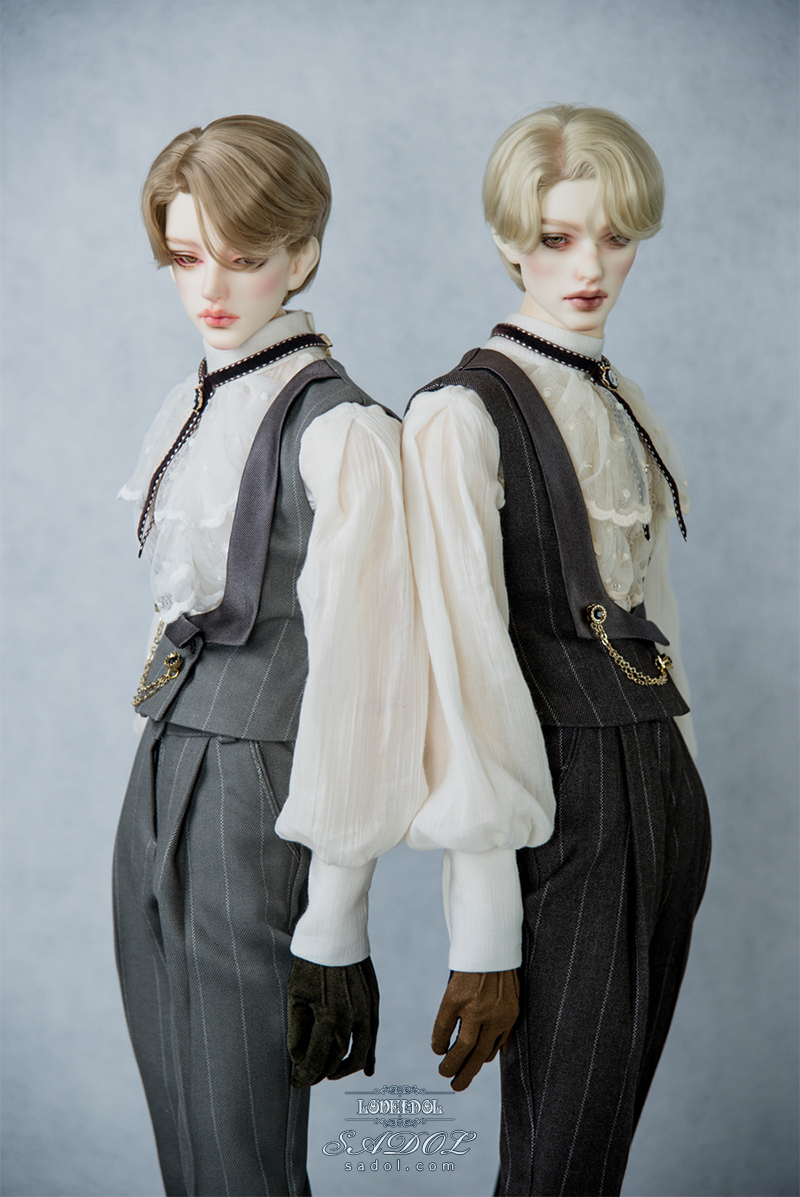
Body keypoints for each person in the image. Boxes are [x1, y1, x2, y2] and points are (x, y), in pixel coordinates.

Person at [113, 115, 426, 1197]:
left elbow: (369, 685)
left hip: (261, 788)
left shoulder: (342, 431)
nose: (210, 287)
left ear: (302, 252)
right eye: (185, 256)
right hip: (165, 762)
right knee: (186, 1127)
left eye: (242, 257)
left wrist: (335, 918)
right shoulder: (199, 399)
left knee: (241, 1141)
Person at [402, 104, 711, 1196]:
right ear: (508, 240)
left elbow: (652, 614)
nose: (589, 267)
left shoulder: (619, 398)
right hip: (562, 800)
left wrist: (676, 781)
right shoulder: (459, 415)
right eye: (556, 238)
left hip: (657, 784)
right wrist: (485, 931)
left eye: (614, 238)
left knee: (594, 1158)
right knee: (555, 1164)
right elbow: (461, 676)